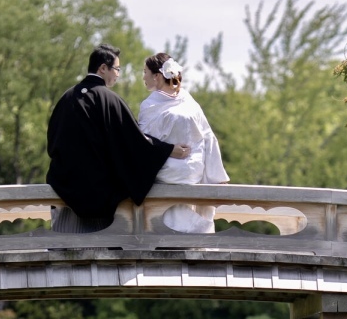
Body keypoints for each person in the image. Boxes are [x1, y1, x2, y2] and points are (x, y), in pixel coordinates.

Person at [47, 44, 191, 233]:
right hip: (98, 193)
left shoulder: (66, 98)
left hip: (64, 188)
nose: (118, 75)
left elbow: (52, 142)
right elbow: (134, 142)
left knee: (64, 243)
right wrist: (167, 149)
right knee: (100, 245)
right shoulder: (109, 100)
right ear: (103, 68)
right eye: (117, 69)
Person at [138, 52, 229, 233]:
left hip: (167, 172)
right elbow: (208, 136)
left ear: (157, 77)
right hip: (193, 170)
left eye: (145, 72)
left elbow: (143, 143)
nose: (143, 77)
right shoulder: (188, 100)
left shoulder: (149, 105)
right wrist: (217, 177)